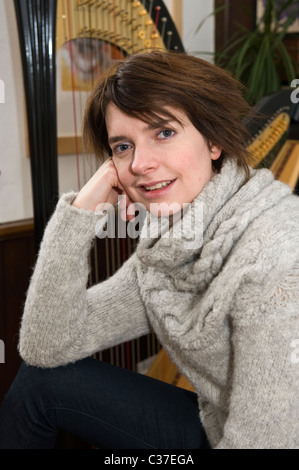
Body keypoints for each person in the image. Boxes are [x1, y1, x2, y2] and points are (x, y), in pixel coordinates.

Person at [0, 50, 298, 449]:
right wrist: (79, 215)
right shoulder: (170, 243)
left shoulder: (277, 254)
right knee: (41, 384)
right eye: (123, 147)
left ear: (214, 141)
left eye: (164, 133)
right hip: (219, 428)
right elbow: (46, 345)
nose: (140, 163)